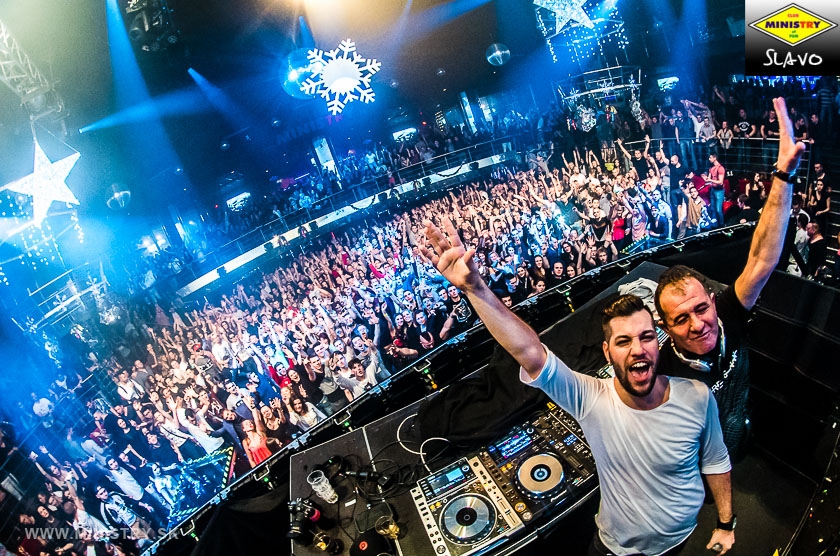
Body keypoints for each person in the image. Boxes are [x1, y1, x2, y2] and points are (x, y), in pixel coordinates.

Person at [422, 218, 735, 555]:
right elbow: (531, 353)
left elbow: (716, 460)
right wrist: (475, 288)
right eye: (623, 341)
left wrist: (725, 522)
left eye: (646, 337)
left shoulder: (697, 395)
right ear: (607, 352)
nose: (638, 349)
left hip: (682, 536)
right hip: (616, 549)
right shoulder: (591, 399)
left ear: (659, 341)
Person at [654, 97, 806, 458]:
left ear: (712, 301)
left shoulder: (727, 313)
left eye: (700, 309)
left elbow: (761, 258)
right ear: (665, 328)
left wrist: (783, 175)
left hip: (740, 431)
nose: (698, 325)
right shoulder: (662, 373)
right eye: (681, 319)